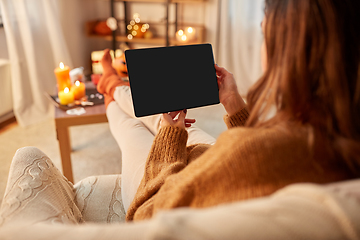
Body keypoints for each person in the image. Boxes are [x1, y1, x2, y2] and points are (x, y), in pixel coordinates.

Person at [96, 0, 360, 222]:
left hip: (167, 183)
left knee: (133, 127)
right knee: (173, 122)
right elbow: (265, 150)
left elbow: (147, 217)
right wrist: (234, 105)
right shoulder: (341, 139)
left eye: (263, 35)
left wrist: (169, 140)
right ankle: (114, 86)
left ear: (287, 52)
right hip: (209, 160)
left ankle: (110, 85)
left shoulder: (246, 155)